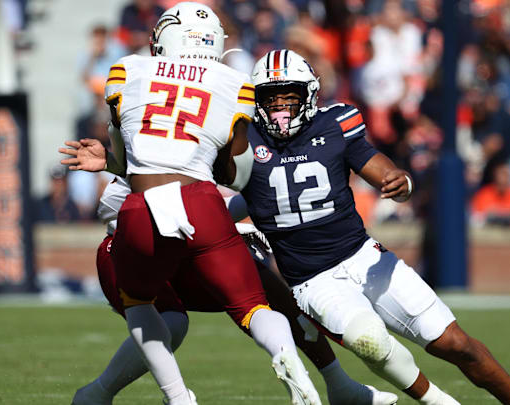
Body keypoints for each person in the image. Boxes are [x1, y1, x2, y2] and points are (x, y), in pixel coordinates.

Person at [238, 49, 510, 405]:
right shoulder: (242, 140)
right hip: (311, 280)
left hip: (363, 257)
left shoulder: (334, 124)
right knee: (370, 340)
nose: (281, 106)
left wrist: (400, 182)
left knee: (456, 344)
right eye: (272, 97)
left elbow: (381, 168)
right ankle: (439, 402)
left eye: (290, 95)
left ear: (310, 94)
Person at [60, 4, 320, 405]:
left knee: (140, 307)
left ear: (163, 40)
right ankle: (294, 367)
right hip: (199, 202)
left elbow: (130, 159)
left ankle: (179, 398)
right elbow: (230, 169)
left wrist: (113, 163)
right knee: (253, 307)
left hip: (144, 206)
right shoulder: (234, 82)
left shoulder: (128, 71)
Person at [65, 176, 398, 405]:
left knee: (266, 287)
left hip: (190, 244)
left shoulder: (222, 132)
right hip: (134, 246)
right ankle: (151, 396)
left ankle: (337, 382)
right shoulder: (158, 134)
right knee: (173, 321)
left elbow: (225, 200)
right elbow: (112, 207)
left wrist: (238, 216)